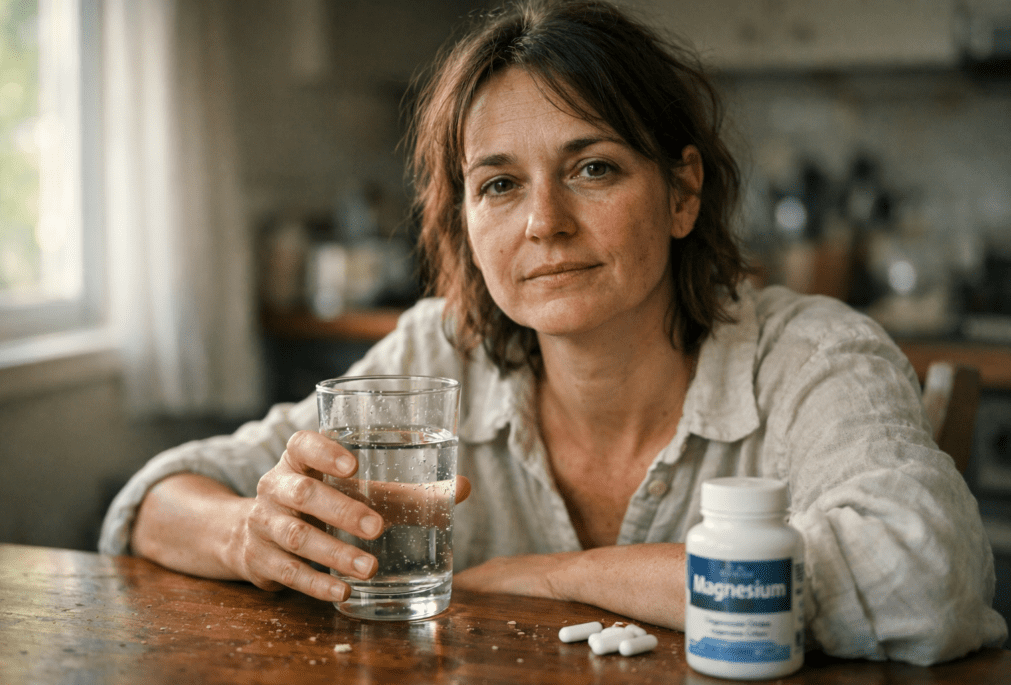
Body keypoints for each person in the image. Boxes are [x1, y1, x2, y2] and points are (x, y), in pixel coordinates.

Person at [100, 0, 1007, 665]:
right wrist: (246, 532)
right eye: (499, 183)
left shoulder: (811, 356)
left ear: (683, 192)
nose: (544, 222)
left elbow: (922, 580)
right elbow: (153, 502)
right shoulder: (436, 351)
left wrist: (543, 574)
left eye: (594, 168)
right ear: (465, 215)